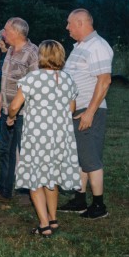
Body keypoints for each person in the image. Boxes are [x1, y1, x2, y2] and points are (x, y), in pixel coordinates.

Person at [6, 40, 81, 237]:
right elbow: (71, 109)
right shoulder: (67, 80)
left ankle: (44, 225)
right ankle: (53, 218)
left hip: (38, 136)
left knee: (35, 179)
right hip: (60, 137)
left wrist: (11, 118)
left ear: (41, 56)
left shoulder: (33, 79)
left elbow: (14, 106)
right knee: (51, 177)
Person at [58, 9, 114, 219]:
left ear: (81, 23)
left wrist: (89, 112)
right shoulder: (80, 46)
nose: (67, 27)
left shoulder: (98, 46)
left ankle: (99, 206)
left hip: (89, 109)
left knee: (91, 158)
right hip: (77, 109)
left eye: (69, 23)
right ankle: (79, 200)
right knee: (80, 157)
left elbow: (104, 80)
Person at [0, 18, 38, 201]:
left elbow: (36, 85)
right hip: (7, 110)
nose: (3, 34)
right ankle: (4, 190)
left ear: (16, 32)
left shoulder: (32, 53)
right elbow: (7, 80)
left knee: (26, 152)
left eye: (6, 30)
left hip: (25, 113)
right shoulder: (9, 52)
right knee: (5, 150)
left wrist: (17, 107)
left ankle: (29, 192)